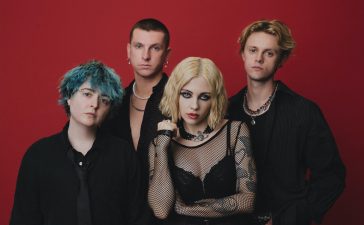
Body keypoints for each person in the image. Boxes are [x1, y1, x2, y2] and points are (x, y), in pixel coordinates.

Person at [227, 20, 346, 225]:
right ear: (243, 54)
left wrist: (290, 218)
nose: (259, 58)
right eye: (253, 50)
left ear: (281, 59)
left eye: (269, 53)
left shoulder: (304, 112)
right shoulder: (226, 111)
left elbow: (332, 177)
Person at [10, 60, 144, 225]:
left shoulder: (123, 154)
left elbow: (138, 218)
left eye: (104, 99)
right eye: (87, 94)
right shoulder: (38, 155)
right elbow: (23, 219)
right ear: (69, 97)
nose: (94, 104)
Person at [148, 57, 257, 225]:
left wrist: (187, 209)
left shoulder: (235, 132)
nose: (194, 106)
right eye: (186, 94)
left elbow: (247, 201)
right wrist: (162, 149)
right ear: (174, 95)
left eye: (204, 97)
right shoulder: (160, 144)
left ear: (215, 99)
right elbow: (161, 210)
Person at [102, 18, 171, 224]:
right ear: (128, 50)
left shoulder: (182, 102)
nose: (146, 56)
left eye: (155, 48)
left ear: (166, 54)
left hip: (168, 216)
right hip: (121, 215)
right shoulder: (112, 105)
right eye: (139, 46)